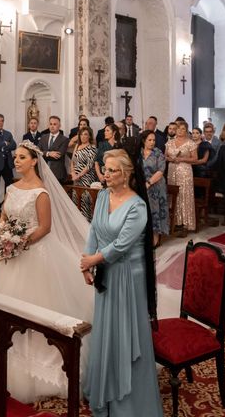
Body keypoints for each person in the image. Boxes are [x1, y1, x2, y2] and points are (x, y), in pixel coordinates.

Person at [0, 141, 93, 402]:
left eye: (22, 157)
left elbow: (45, 227)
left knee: (39, 309)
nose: (17, 161)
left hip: (36, 255)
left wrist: (19, 243)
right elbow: (2, 219)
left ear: (34, 160)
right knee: (7, 310)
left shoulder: (41, 192)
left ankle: (44, 366)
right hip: (12, 256)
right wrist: (3, 240)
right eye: (16, 158)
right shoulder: (11, 189)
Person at [80, 148, 163, 417]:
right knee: (106, 329)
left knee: (126, 331)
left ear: (126, 174)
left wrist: (93, 260)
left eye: (112, 170)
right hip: (106, 272)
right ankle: (104, 389)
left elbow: (121, 246)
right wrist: (86, 260)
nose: (105, 174)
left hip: (128, 276)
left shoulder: (137, 206)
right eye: (105, 169)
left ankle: (129, 402)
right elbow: (94, 228)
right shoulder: (103, 195)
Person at [165, 121, 197, 233]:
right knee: (173, 194)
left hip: (185, 171)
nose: (179, 131)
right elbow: (165, 156)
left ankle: (185, 222)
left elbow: (195, 159)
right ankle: (175, 221)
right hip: (172, 170)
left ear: (186, 130)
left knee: (184, 194)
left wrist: (181, 159)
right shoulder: (169, 142)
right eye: (177, 129)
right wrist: (171, 159)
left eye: (182, 129)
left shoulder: (190, 143)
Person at [140, 130, 169, 246]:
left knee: (155, 212)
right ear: (144, 141)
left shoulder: (158, 153)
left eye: (154, 140)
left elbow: (161, 171)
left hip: (156, 186)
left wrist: (149, 182)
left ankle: (155, 239)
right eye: (149, 140)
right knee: (143, 212)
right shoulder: (139, 153)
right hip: (142, 186)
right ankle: (143, 238)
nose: (152, 142)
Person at [70, 127, 98, 221]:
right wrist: (73, 173)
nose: (83, 136)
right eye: (81, 134)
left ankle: (86, 224)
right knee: (76, 200)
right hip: (75, 179)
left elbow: (89, 165)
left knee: (85, 201)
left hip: (86, 178)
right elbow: (72, 161)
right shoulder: (77, 146)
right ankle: (77, 224)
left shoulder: (92, 148)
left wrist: (79, 175)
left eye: (85, 134)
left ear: (89, 136)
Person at [38, 115, 69, 183]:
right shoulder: (43, 137)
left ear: (59, 126)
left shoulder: (64, 139)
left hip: (57, 173)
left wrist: (44, 154)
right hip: (43, 172)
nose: (52, 126)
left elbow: (58, 156)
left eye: (55, 124)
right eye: (50, 124)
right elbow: (37, 152)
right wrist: (49, 153)